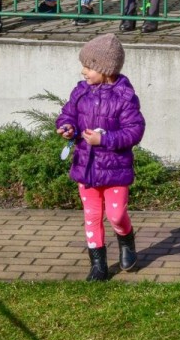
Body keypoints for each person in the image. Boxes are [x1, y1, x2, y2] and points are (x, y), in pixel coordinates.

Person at [57, 33, 146, 282]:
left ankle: (126, 239)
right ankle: (98, 264)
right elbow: (68, 114)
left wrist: (104, 140)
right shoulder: (80, 92)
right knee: (92, 216)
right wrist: (67, 127)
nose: (83, 71)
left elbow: (134, 131)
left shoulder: (125, 98)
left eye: (88, 66)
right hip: (86, 166)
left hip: (115, 168)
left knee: (116, 215)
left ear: (105, 69)